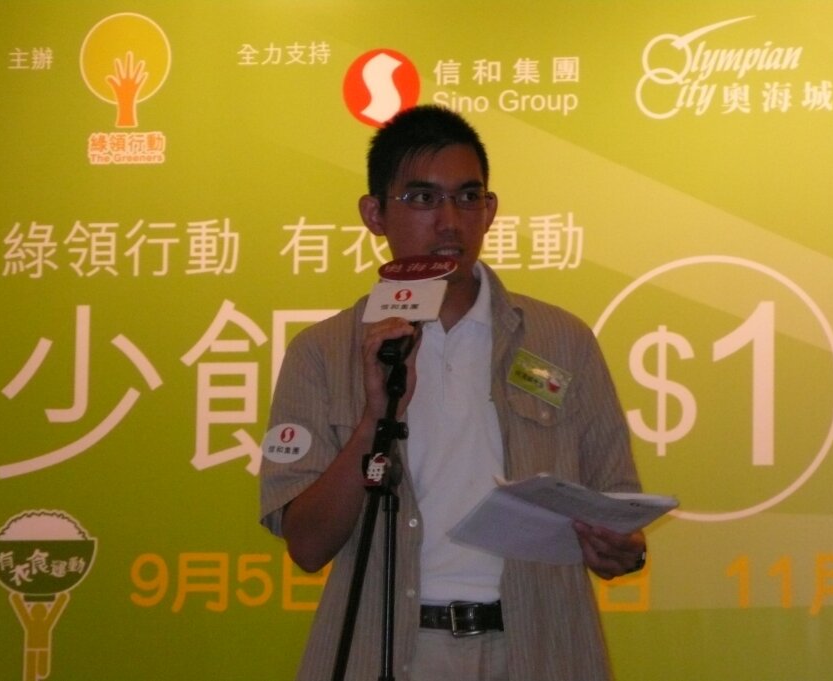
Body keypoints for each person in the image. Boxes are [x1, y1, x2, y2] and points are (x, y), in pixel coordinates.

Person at [260, 104, 646, 681]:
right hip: (392, 650)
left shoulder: (561, 341)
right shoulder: (322, 352)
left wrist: (621, 548)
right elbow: (307, 546)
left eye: (468, 198)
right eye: (422, 198)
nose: (449, 222)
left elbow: (618, 506)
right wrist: (372, 421)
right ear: (374, 214)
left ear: (489, 211)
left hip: (538, 648)